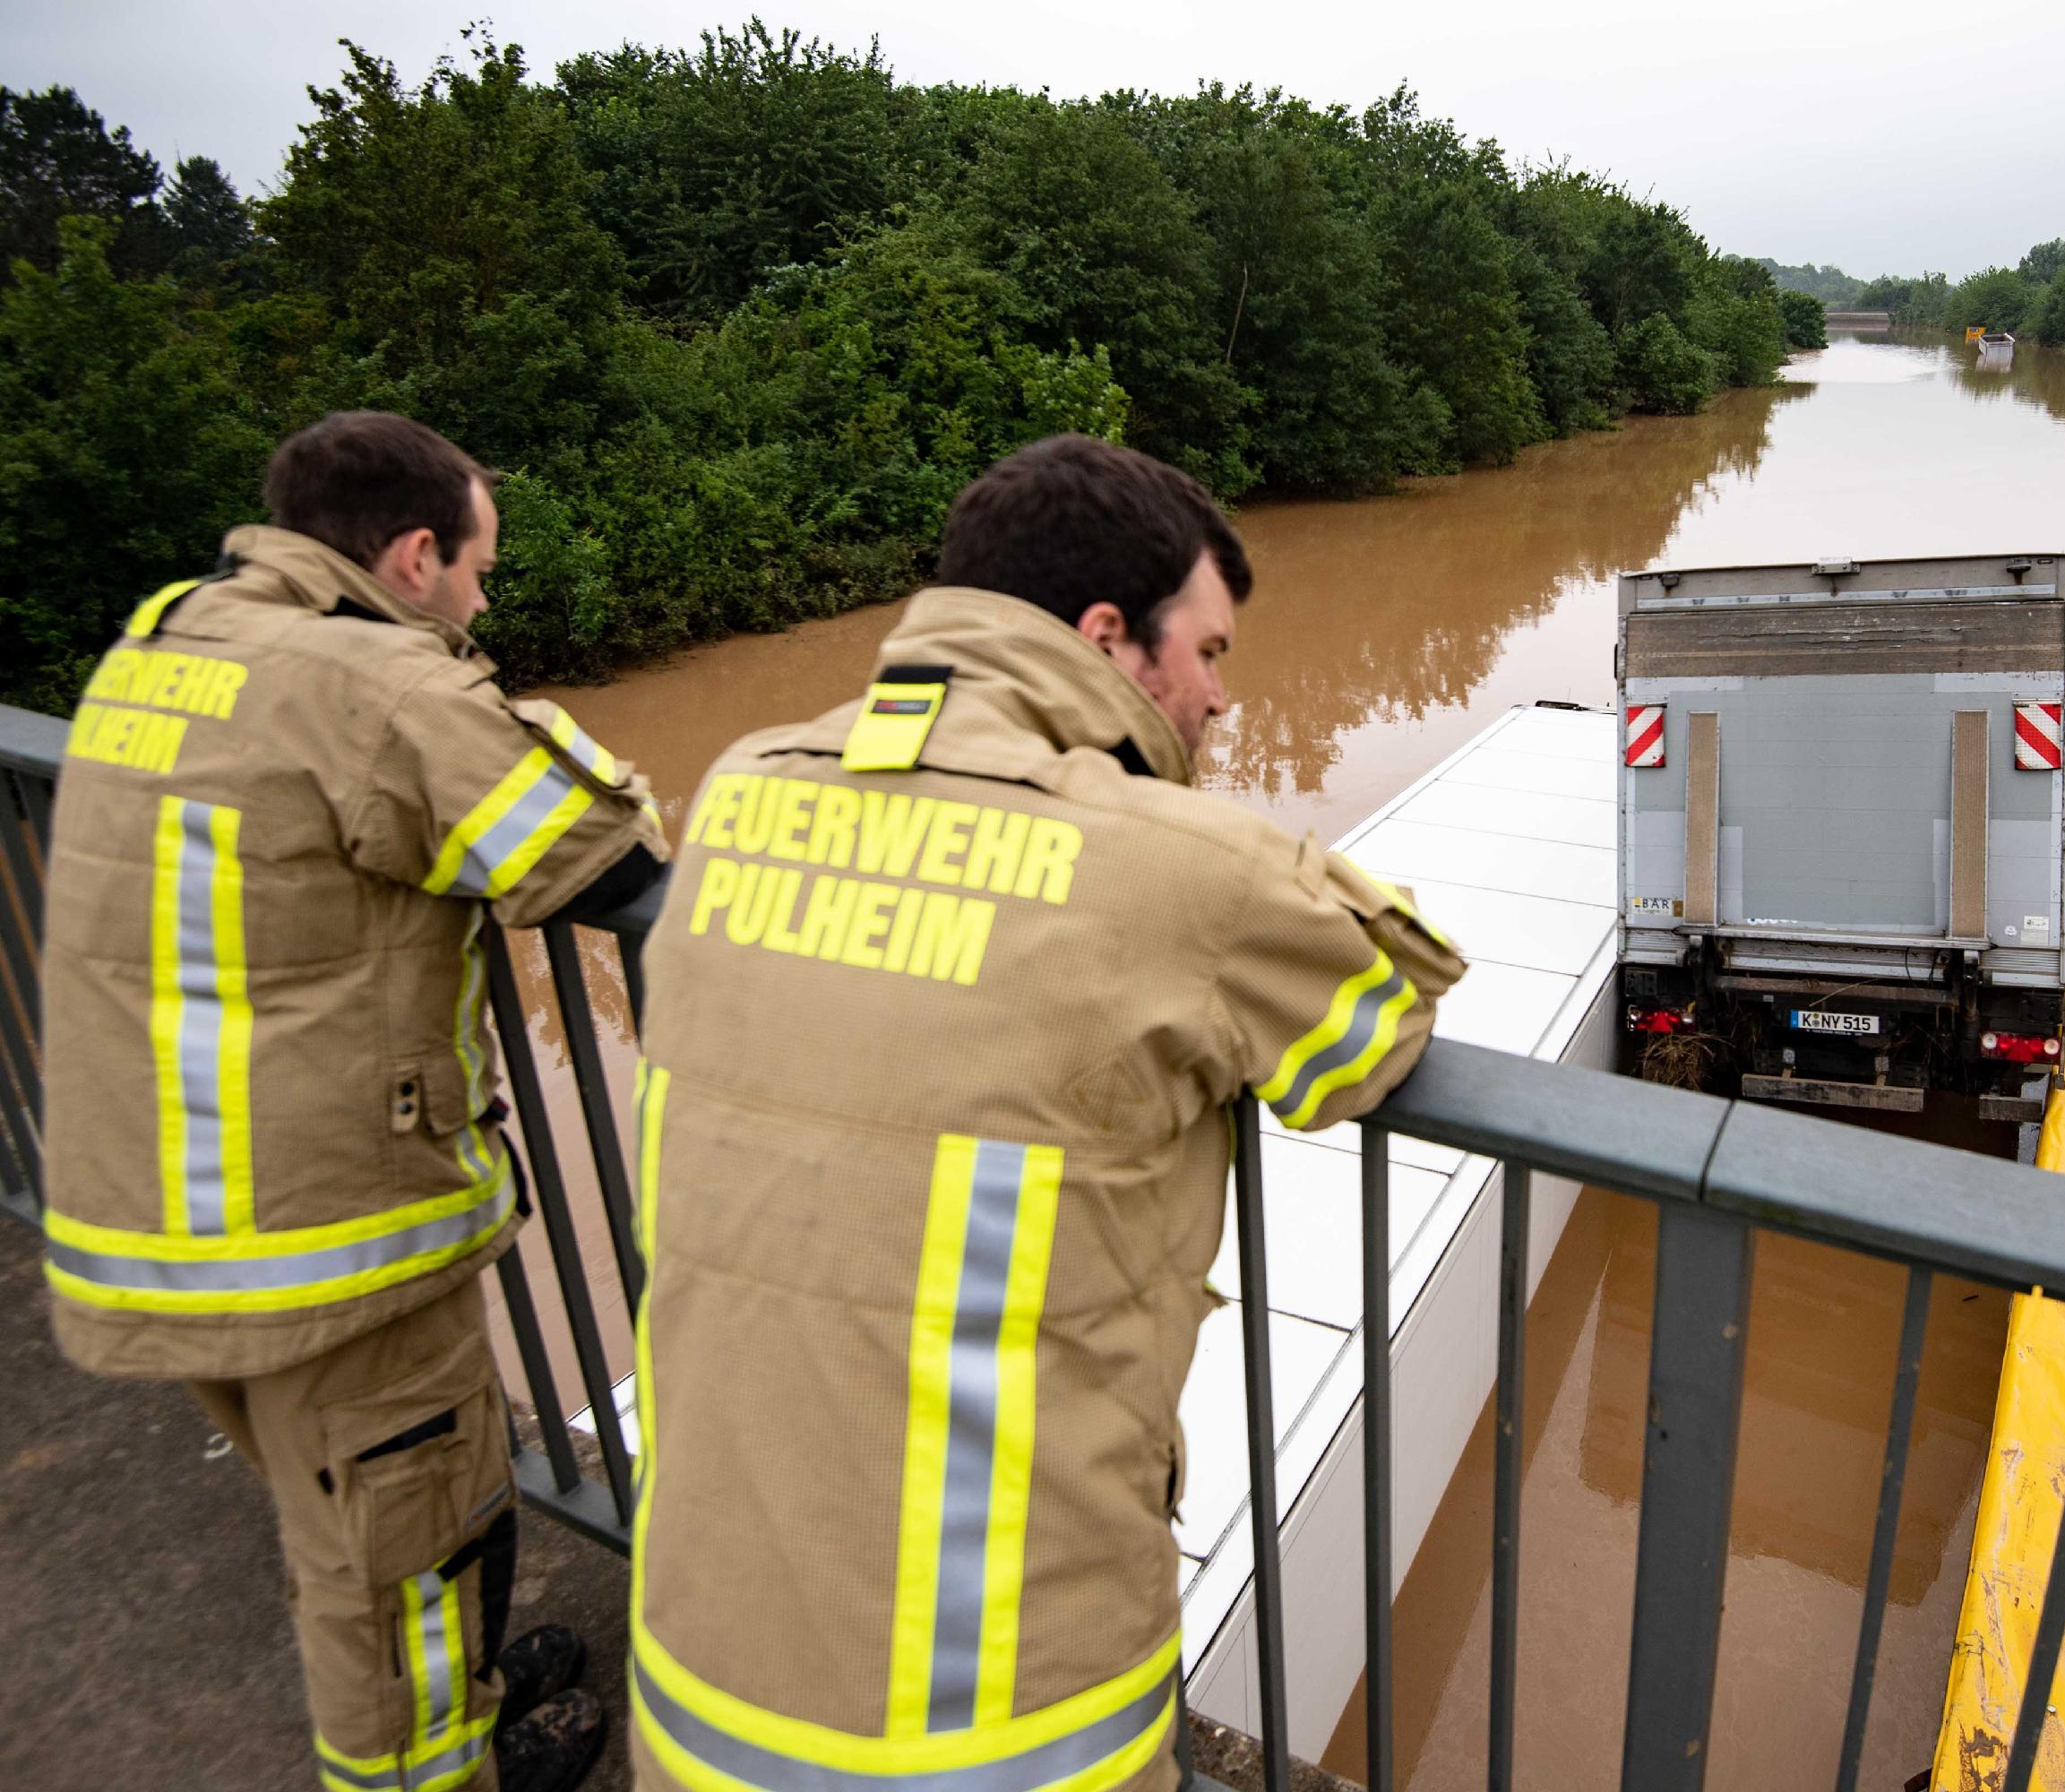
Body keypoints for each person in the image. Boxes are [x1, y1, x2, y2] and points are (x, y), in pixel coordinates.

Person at [625, 435, 1467, 1791]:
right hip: (1006, 1730)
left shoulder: (740, 787)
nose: (1219, 700)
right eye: (1210, 654)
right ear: (1108, 641)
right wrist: (1242, 855)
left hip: (694, 1691)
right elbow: (1380, 1023)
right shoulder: (1184, 873)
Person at [41, 411, 668, 1792]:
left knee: (347, 1533)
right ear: (413, 554)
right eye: (480, 571)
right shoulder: (379, 685)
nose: (484, 601)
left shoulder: (168, 640)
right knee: (410, 1571)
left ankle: (466, 1706)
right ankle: (434, 1768)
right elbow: (605, 856)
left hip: (145, 1212)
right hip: (322, 1248)